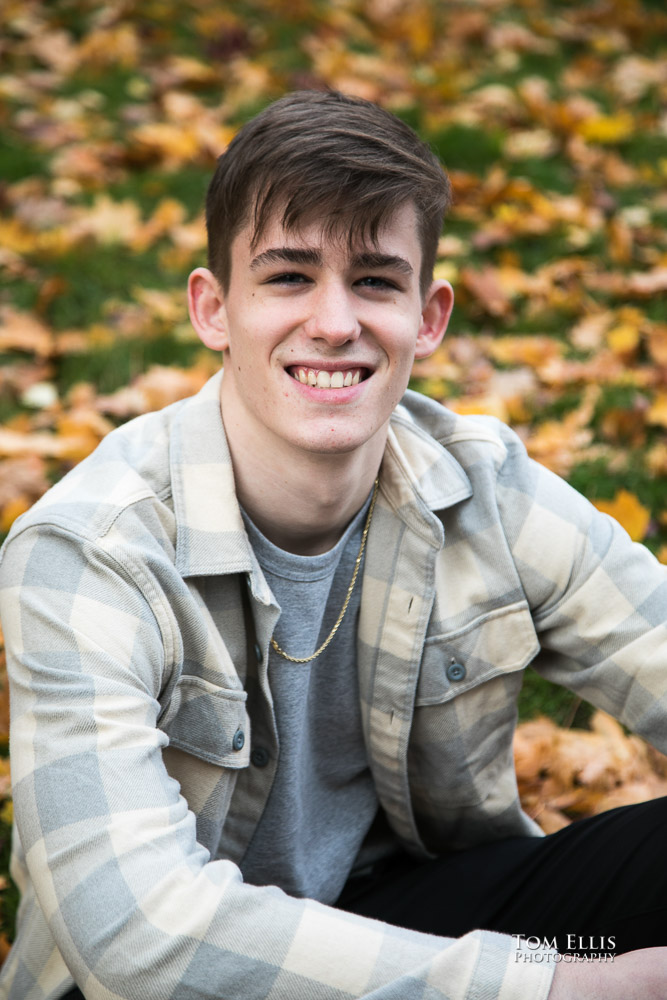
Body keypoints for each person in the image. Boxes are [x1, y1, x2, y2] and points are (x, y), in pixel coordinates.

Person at [0, 89, 665, 1000]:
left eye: (375, 280)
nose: (335, 322)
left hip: (398, 931)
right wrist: (574, 986)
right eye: (286, 277)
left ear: (427, 317)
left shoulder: (484, 490)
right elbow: (133, 933)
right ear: (213, 309)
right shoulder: (91, 551)